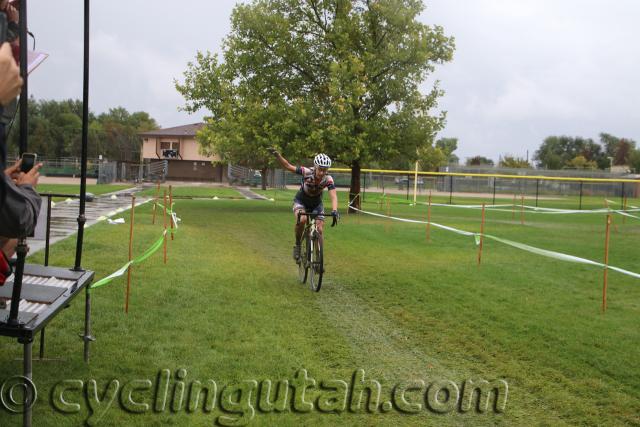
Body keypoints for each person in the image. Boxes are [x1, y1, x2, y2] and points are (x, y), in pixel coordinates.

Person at [268, 148, 339, 261]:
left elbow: (333, 195)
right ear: (315, 167)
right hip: (301, 201)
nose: (322, 173)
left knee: (319, 229)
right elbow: (288, 166)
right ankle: (297, 245)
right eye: (320, 169)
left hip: (316, 204)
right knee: (302, 220)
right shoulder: (307, 172)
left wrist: (335, 210)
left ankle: (318, 257)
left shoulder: (328, 179)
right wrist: (278, 156)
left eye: (325, 170)